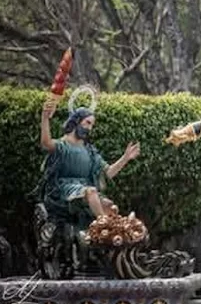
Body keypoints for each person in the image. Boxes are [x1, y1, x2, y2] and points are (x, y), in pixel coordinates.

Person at [35, 92, 140, 226]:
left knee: (111, 207)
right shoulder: (62, 146)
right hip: (65, 189)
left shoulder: (90, 152)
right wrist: (45, 118)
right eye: (87, 123)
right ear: (77, 121)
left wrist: (125, 158)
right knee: (91, 191)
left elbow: (108, 172)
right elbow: (46, 143)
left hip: (85, 190)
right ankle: (104, 226)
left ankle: (110, 235)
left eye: (91, 125)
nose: (89, 128)